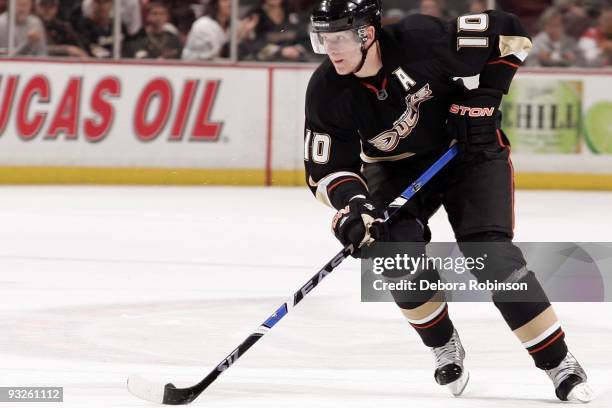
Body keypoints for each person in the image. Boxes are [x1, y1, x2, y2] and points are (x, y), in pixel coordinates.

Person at [304, 0, 594, 402]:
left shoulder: (422, 39)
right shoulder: (326, 90)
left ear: (367, 33)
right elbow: (326, 169)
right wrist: (356, 207)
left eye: (339, 38)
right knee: (392, 254)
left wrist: (489, 94)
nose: (331, 49)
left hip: (468, 151)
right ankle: (442, 344)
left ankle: (559, 363)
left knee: (491, 256)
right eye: (323, 39)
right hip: (396, 170)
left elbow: (509, 30)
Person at [239, 0, 311, 61]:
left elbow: (304, 39)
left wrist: (297, 49)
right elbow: (253, 44)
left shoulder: (291, 12)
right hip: (263, 64)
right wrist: (280, 51)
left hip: (294, 64)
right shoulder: (255, 15)